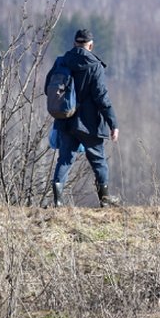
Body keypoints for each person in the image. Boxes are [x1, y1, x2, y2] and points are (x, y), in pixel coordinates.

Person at [46, 29, 121, 207]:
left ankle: (57, 201)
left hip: (65, 120)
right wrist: (113, 123)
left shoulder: (61, 61)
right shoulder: (95, 66)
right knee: (98, 161)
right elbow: (101, 97)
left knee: (64, 159)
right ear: (90, 45)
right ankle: (104, 200)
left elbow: (47, 89)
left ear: (74, 43)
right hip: (90, 124)